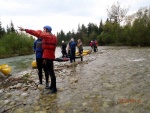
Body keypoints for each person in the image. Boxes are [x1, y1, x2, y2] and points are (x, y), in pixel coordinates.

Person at [18, 25, 58, 94]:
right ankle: (52, 86)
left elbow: (36, 33)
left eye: (44, 29)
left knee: (51, 73)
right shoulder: (53, 37)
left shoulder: (47, 36)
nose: (43, 30)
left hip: (48, 56)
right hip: (50, 56)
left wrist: (25, 29)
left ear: (46, 30)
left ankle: (54, 89)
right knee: (50, 72)